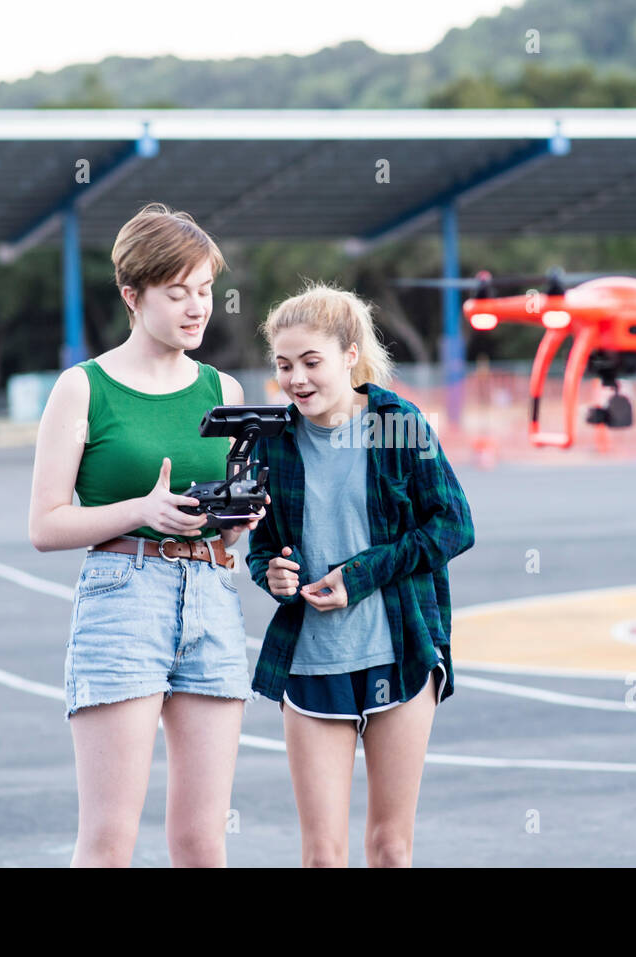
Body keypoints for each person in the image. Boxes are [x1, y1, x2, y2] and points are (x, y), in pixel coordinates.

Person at [27, 203, 262, 867]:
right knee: (108, 842)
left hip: (213, 595)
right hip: (123, 595)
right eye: (177, 292)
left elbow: (234, 526)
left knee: (201, 841)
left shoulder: (224, 388)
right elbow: (45, 524)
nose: (197, 308)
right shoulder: (83, 389)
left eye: (207, 291)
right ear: (133, 295)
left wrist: (240, 521)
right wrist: (142, 509)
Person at [246, 282, 475, 867]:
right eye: (283, 365)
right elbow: (262, 543)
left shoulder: (397, 424)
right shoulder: (272, 440)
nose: (296, 379)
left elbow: (453, 526)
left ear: (350, 355)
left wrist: (363, 574)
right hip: (311, 662)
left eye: (310, 362)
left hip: (398, 649)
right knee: (323, 855)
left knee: (389, 848)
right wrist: (268, 572)